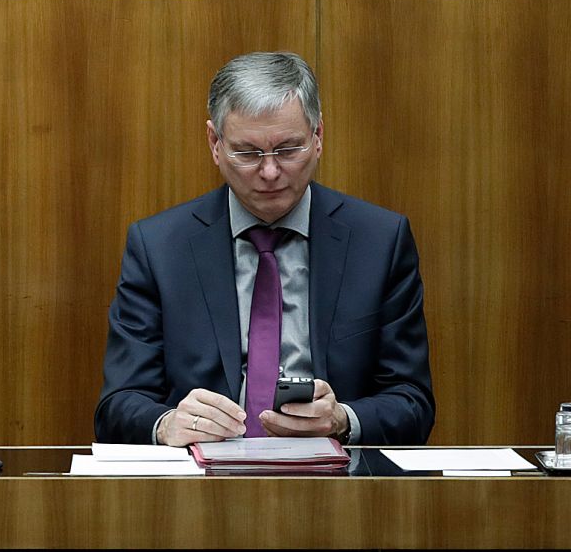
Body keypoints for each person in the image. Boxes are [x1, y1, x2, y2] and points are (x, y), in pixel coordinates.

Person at [95, 51, 434, 446]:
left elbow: (413, 403)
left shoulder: (379, 241)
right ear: (215, 144)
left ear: (318, 137)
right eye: (248, 153)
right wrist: (167, 423)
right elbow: (117, 406)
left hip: (333, 472)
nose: (270, 172)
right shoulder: (159, 247)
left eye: (288, 150)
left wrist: (342, 419)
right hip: (202, 473)